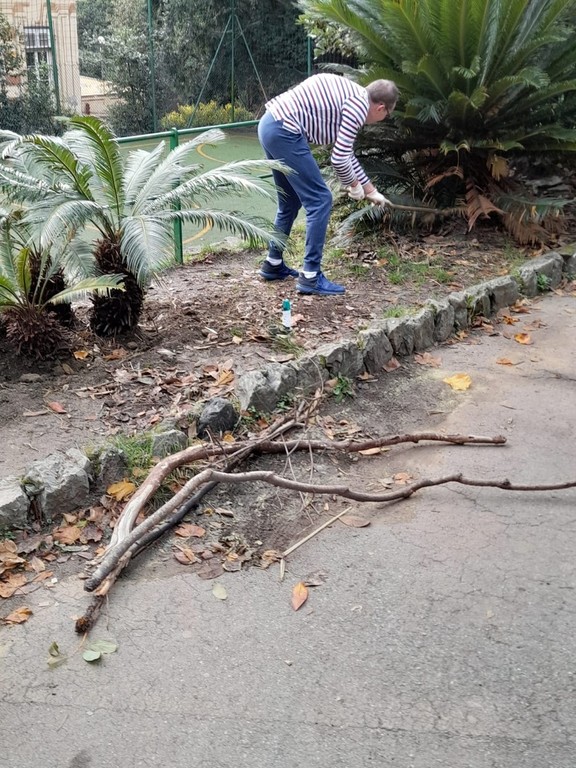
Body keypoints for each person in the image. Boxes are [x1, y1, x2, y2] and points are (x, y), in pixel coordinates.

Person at [257, 73, 398, 295]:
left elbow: (347, 154)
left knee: (290, 202)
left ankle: (273, 263)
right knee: (320, 200)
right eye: (387, 115)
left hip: (269, 125)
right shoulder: (358, 107)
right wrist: (353, 185)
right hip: (285, 131)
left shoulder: (353, 95)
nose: (383, 119)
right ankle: (310, 277)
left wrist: (371, 191)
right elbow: (339, 158)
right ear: (381, 108)